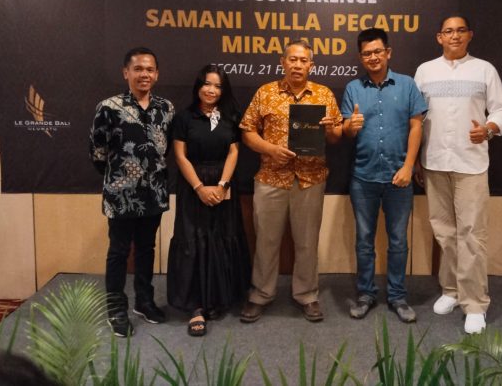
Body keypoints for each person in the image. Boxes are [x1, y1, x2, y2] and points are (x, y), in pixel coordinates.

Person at [414, 15, 502, 334]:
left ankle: (475, 304)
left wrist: (489, 129)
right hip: (434, 161)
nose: (454, 36)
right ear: (439, 37)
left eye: (460, 31)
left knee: (471, 233)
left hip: (471, 163)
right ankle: (452, 291)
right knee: (444, 231)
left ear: (470, 35)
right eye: (448, 31)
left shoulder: (484, 70)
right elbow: (416, 118)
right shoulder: (425, 71)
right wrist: (415, 160)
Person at [239, 39, 343, 323]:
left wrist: (331, 129)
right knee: (266, 241)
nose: (298, 65)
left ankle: (307, 295)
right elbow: (247, 131)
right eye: (292, 59)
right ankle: (261, 294)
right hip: (271, 178)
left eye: (303, 60)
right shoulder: (265, 92)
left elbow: (336, 137)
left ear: (312, 65)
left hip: (310, 178)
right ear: (282, 62)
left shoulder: (323, 94)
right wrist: (269, 149)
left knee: (307, 242)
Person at [341, 28, 427, 323]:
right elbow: (346, 131)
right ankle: (365, 294)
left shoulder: (407, 85)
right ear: (361, 57)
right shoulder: (353, 88)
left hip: (398, 177)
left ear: (388, 52)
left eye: (378, 51)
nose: (373, 57)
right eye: (367, 53)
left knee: (398, 241)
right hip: (363, 177)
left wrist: (409, 166)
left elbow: (416, 126)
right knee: (364, 240)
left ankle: (398, 296)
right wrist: (350, 126)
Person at [89, 46, 174, 337]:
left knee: (147, 248)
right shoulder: (109, 107)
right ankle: (116, 309)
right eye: (138, 69)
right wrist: (121, 176)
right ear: (126, 72)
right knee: (119, 251)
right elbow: (98, 152)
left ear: (157, 74)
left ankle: (144, 301)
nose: (144, 74)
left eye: (149, 69)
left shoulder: (166, 108)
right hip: (121, 195)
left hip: (154, 193)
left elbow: (166, 149)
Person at [167, 64, 251, 336]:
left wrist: (223, 185)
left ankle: (218, 298)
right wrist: (200, 188)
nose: (211, 90)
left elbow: (234, 152)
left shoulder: (231, 117)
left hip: (224, 184)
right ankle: (195, 306)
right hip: (193, 186)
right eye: (207, 84)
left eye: (217, 86)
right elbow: (180, 156)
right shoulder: (184, 118)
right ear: (198, 86)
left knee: (221, 238)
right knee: (195, 241)